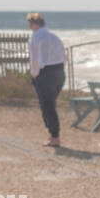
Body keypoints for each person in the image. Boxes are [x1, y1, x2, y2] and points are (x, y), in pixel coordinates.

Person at [26, 12, 66, 147]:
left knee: (47, 107)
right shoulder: (54, 36)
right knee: (50, 105)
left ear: (33, 23)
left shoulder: (35, 37)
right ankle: (52, 135)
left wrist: (34, 75)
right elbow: (63, 56)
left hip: (46, 73)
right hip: (59, 72)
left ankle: (55, 137)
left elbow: (35, 59)